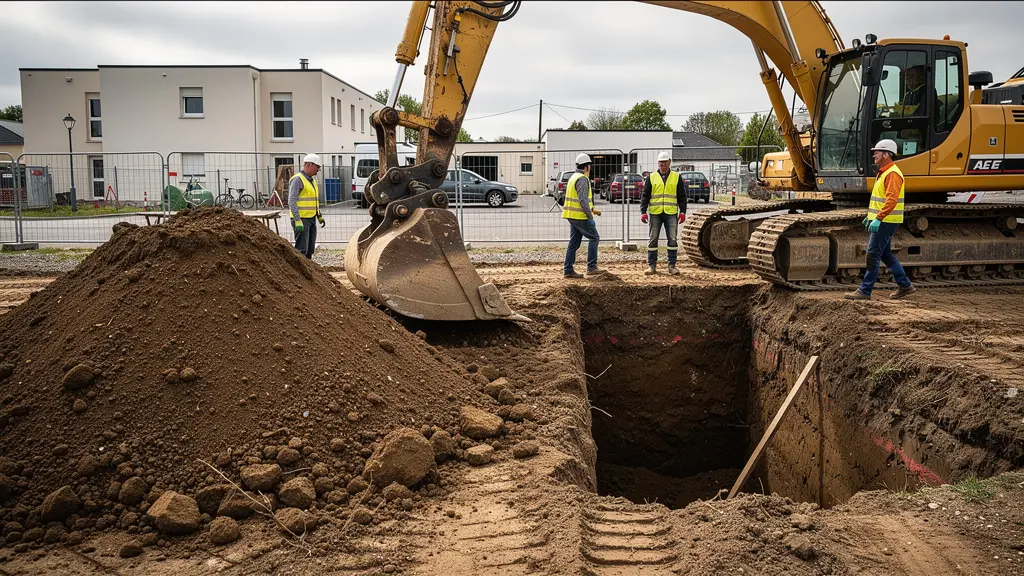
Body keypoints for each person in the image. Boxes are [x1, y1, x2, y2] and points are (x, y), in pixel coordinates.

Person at [844, 139, 917, 300]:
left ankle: (865, 290)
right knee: (885, 254)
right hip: (884, 220)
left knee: (872, 254)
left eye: (877, 152)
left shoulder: (892, 174)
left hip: (886, 221)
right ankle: (905, 285)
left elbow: (891, 200)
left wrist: (878, 218)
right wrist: (870, 217)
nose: (874, 155)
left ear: (886, 154)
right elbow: (881, 199)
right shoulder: (884, 172)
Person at [639, 151, 687, 275]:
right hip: (655, 213)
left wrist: (683, 212)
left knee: (672, 239)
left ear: (669, 162)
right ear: (658, 163)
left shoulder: (676, 177)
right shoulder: (652, 177)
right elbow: (645, 195)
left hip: (671, 213)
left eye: (665, 162)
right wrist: (643, 211)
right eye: (661, 162)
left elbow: (682, 196)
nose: (663, 165)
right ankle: (652, 266)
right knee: (653, 239)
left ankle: (672, 266)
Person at [562, 153, 605, 279]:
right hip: (580, 216)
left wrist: (592, 209)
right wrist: (590, 218)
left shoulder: (573, 177)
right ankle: (592, 267)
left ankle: (568, 269)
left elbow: (578, 199)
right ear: (586, 167)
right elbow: (582, 200)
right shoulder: (582, 179)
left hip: (571, 215)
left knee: (574, 242)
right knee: (594, 238)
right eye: (590, 166)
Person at [288, 153, 326, 259]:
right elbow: (292, 201)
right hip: (301, 219)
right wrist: (297, 219)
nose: (318, 170)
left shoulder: (312, 180)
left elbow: (313, 200)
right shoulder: (297, 179)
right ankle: (300, 273)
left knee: (309, 249)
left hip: (311, 218)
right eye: (317, 167)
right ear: (309, 165)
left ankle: (310, 272)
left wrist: (319, 215)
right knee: (301, 250)